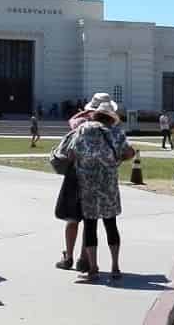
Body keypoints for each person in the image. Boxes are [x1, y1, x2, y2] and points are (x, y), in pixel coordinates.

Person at [59, 97, 131, 281]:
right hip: (109, 185)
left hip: (87, 184)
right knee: (111, 225)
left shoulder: (83, 129)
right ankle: (115, 267)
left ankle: (93, 269)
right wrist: (116, 162)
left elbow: (70, 152)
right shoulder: (117, 132)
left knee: (90, 226)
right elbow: (129, 152)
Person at [52, 100, 98, 272]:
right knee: (89, 222)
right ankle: (83, 258)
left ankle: (69, 257)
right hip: (94, 179)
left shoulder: (80, 125)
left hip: (74, 178)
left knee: (72, 220)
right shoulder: (105, 130)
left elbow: (69, 153)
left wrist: (83, 112)